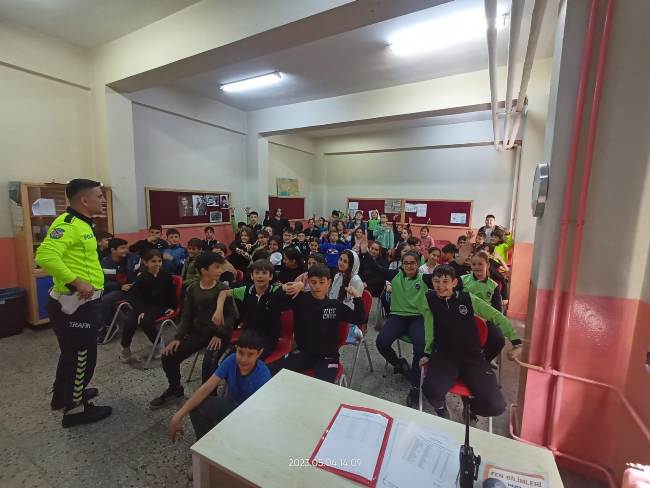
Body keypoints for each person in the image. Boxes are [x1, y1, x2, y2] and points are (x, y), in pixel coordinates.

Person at [35, 178, 111, 427]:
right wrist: (77, 282)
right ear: (84, 200)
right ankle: (75, 409)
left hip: (78, 303)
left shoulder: (82, 224)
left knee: (71, 353)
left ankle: (63, 395)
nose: (103, 200)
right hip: (76, 305)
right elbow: (45, 255)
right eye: (99, 196)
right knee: (82, 356)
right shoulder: (68, 224)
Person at [420, 265, 522, 418]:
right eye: (436, 281)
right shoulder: (429, 300)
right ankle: (441, 409)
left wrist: (516, 341)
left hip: (472, 357)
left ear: (454, 282)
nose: (440, 286)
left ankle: (470, 407)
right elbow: (429, 328)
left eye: (445, 281)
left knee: (496, 405)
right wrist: (427, 353)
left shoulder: (467, 299)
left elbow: (496, 316)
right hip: (444, 355)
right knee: (430, 390)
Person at [150, 252, 237, 409]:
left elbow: (232, 315)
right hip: (200, 332)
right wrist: (177, 337)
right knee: (169, 356)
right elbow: (187, 315)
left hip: (219, 334)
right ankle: (175, 388)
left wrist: (219, 334)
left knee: (209, 364)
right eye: (216, 267)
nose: (220, 270)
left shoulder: (223, 289)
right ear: (204, 270)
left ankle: (209, 398)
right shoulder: (193, 289)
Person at [358, 234, 432, 407]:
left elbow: (446, 278)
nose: (409, 266)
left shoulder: (424, 278)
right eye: (406, 263)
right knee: (381, 342)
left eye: (412, 263)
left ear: (418, 264)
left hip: (417, 318)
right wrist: (364, 252)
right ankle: (399, 364)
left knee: (420, 347)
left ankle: (416, 386)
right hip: (397, 316)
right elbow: (376, 269)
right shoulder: (395, 275)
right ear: (401, 264)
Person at [168, 329, 271, 442]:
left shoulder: (263, 375)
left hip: (249, 415)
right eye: (240, 352)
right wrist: (179, 415)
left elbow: (261, 412)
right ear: (236, 348)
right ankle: (206, 443)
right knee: (197, 406)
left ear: (259, 353)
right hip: (231, 405)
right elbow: (207, 387)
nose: (243, 359)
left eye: (250, 354)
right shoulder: (231, 360)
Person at [269, 264, 365, 382]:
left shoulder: (335, 305)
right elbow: (273, 305)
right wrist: (284, 288)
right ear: (308, 282)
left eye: (322, 282)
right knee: (272, 371)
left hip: (328, 356)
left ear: (329, 283)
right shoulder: (300, 299)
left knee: (322, 386)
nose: (317, 286)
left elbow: (360, 318)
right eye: (313, 282)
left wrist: (357, 298)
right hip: (304, 352)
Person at [213, 259, 303, 361]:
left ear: (270, 276)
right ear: (252, 276)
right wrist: (219, 310)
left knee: (247, 362)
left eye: (264, 273)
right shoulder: (245, 290)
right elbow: (223, 293)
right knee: (229, 360)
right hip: (248, 335)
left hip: (268, 339)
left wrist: (300, 284)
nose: (260, 276)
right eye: (257, 273)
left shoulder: (276, 291)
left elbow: (296, 288)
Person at [119, 249, 176, 363]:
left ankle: (159, 345)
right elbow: (136, 297)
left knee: (145, 321)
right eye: (153, 261)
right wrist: (141, 311)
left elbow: (172, 294)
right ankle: (125, 348)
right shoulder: (141, 277)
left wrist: (172, 307)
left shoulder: (166, 276)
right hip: (142, 305)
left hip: (159, 305)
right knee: (129, 322)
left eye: (159, 261)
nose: (157, 264)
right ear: (146, 262)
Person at [456, 251, 505, 363]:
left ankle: (483, 361)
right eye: (474, 264)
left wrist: (485, 318)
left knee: (499, 340)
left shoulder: (493, 285)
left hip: (486, 319)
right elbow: (454, 301)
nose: (477, 267)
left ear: (487, 265)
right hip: (464, 317)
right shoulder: (462, 280)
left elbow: (497, 309)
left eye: (480, 264)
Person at [98, 237, 140, 341]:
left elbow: (140, 276)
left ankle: (110, 327)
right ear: (113, 250)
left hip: (132, 290)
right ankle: (103, 325)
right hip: (117, 289)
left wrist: (132, 284)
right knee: (94, 299)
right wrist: (120, 286)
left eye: (126, 248)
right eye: (122, 248)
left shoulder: (134, 259)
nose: (126, 250)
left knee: (104, 301)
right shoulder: (105, 263)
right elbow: (102, 282)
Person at [329, 250, 365, 343]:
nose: (341, 263)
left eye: (345, 261)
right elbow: (332, 296)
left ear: (352, 265)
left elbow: (353, 309)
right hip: (335, 314)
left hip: (347, 321)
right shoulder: (338, 275)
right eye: (340, 259)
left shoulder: (356, 281)